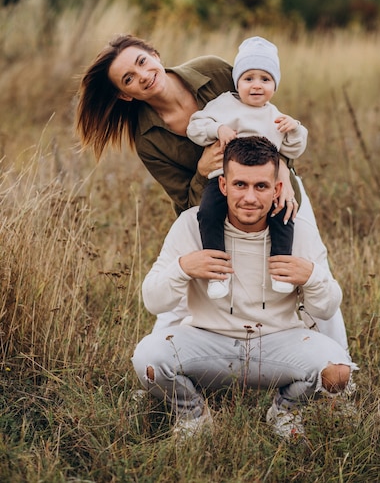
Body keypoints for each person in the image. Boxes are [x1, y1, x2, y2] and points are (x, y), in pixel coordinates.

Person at [76, 34, 348, 347]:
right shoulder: (148, 139)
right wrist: (202, 171)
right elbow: (184, 204)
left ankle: (337, 370)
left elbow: (264, 109)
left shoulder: (213, 72)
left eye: (142, 62)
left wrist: (283, 169)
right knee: (192, 276)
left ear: (155, 54)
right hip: (215, 210)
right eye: (129, 79)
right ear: (125, 95)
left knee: (310, 271)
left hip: (278, 191)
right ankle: (161, 362)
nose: (143, 75)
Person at [131, 137, 357, 440]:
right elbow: (153, 301)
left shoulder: (299, 230)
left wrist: (312, 277)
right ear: (223, 185)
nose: (249, 197)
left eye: (261, 186)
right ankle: (193, 416)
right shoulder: (190, 225)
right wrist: (183, 267)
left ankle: (286, 411)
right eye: (240, 185)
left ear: (277, 188)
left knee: (338, 371)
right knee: (148, 358)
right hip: (208, 340)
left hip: (277, 342)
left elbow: (326, 308)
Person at [187, 36, 308, 299]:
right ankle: (218, 275)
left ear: (275, 85)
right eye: (248, 78)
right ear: (237, 82)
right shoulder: (224, 105)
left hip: (265, 185)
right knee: (208, 213)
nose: (256, 86)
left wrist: (296, 128)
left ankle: (280, 268)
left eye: (265, 79)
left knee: (283, 215)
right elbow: (194, 127)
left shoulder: (275, 115)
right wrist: (216, 128)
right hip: (225, 179)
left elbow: (293, 150)